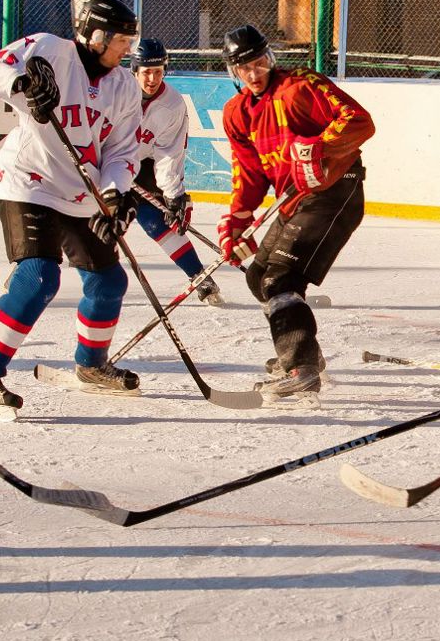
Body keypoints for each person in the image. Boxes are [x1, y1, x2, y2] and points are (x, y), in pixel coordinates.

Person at [0, 0, 145, 421]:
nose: (127, 50)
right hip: (30, 182)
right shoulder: (46, 49)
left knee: (109, 282)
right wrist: (18, 84)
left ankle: (92, 364)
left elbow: (121, 150)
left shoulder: (122, 86)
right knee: (39, 275)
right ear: (95, 36)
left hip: (81, 193)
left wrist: (115, 193)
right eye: (121, 41)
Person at [216, 25, 374, 407]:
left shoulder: (300, 86)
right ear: (233, 72)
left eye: (259, 63)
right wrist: (238, 219)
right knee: (259, 276)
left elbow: (359, 120)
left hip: (335, 190)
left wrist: (320, 147)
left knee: (281, 277)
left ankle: (300, 370)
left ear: (269, 58)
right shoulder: (236, 113)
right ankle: (305, 355)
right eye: (245, 68)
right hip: (294, 201)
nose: (254, 74)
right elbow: (250, 173)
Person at [124, 37, 223, 306]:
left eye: (158, 71)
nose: (152, 79)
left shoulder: (173, 104)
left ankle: (200, 277)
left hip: (144, 163)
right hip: (107, 162)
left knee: (158, 220)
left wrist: (173, 193)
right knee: (86, 218)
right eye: (146, 72)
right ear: (134, 71)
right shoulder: (115, 91)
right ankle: (36, 264)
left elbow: (169, 152)